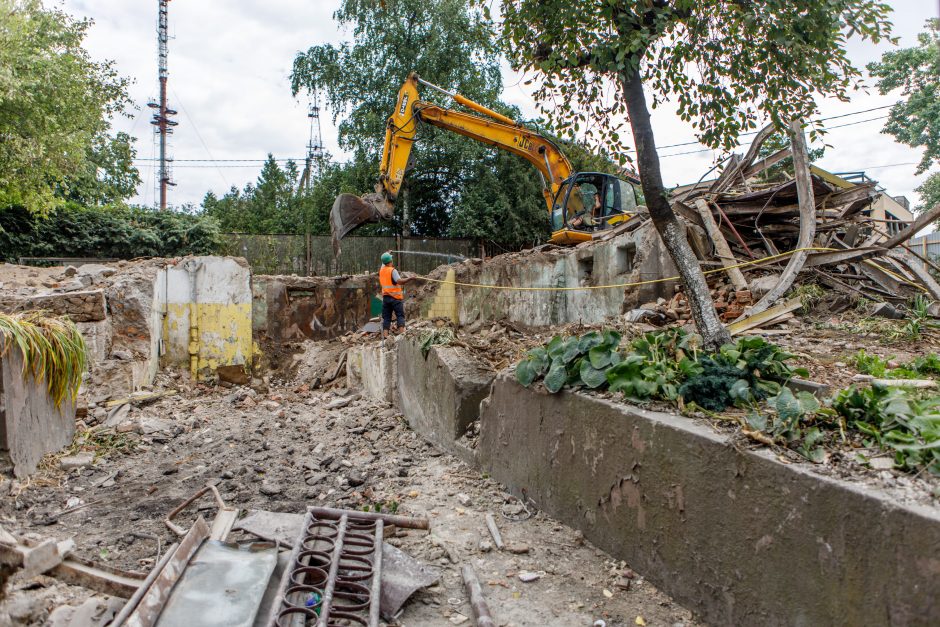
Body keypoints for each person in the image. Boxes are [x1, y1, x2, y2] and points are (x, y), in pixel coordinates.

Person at [378, 251, 413, 338]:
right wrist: (410, 278)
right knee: (400, 316)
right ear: (391, 261)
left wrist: (386, 253)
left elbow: (383, 262)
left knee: (386, 317)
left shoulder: (382, 270)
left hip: (386, 298)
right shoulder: (393, 271)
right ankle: (402, 334)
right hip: (395, 298)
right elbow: (400, 281)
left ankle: (385, 336)